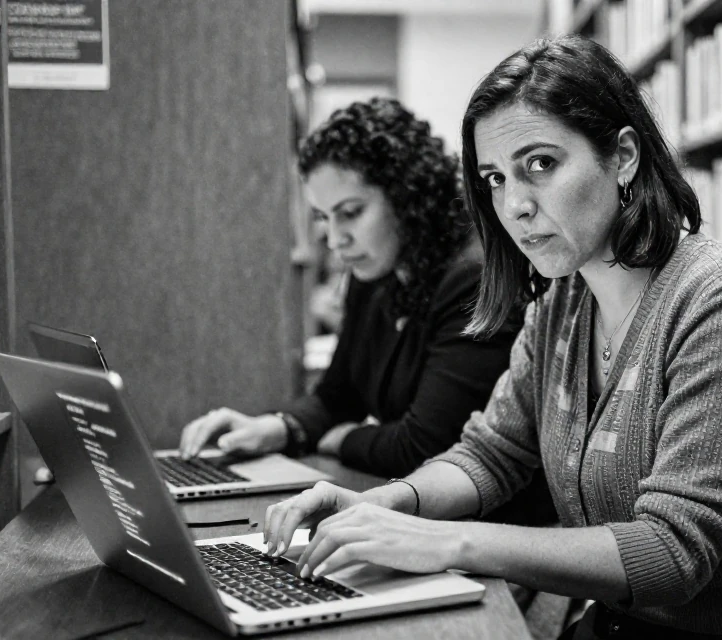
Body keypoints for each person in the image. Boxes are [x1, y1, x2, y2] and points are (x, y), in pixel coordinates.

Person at [258, 36, 722, 640]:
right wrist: (390, 503)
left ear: (623, 156)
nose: (514, 205)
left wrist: (444, 541)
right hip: (622, 621)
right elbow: (492, 453)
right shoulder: (563, 300)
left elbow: (674, 553)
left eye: (540, 164)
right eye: (494, 178)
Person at [176, 98, 540, 499]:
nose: (335, 240)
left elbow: (425, 447)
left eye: (350, 212)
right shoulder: (374, 271)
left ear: (406, 197)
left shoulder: (474, 276)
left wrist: (343, 439)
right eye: (323, 218)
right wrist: (279, 428)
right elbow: (339, 393)